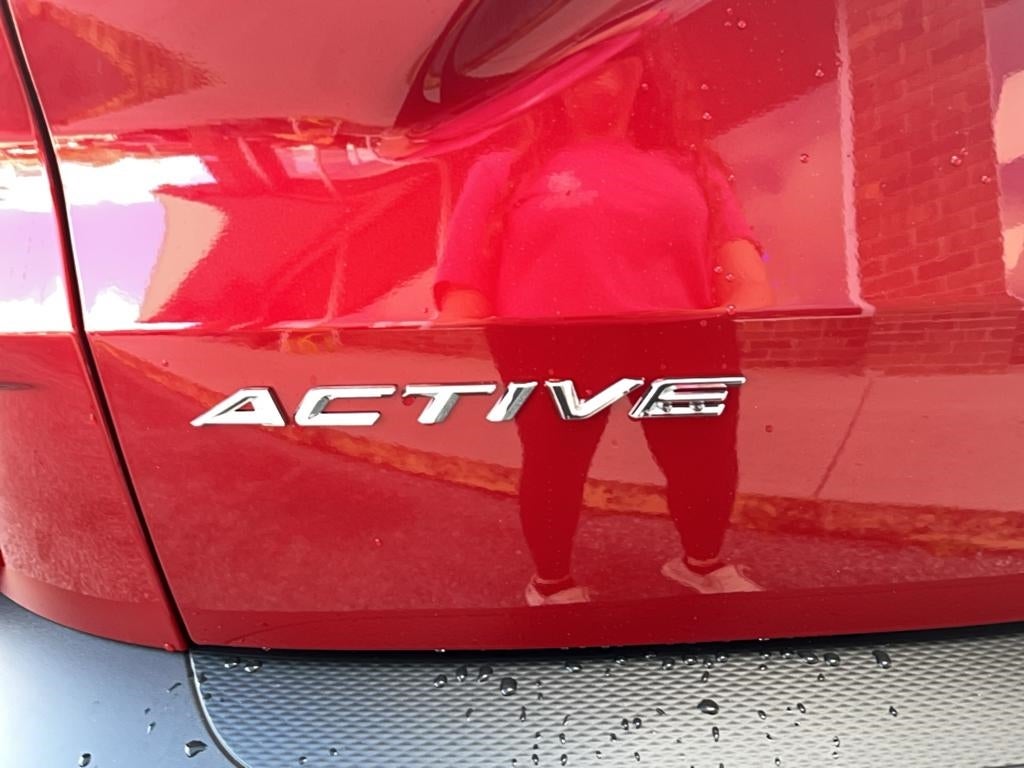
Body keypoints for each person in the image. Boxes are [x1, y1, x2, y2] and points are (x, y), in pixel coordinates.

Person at [436, 49, 772, 605]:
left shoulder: (692, 167)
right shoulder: (502, 170)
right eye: (584, 64)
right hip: (549, 345)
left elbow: (746, 272)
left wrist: (747, 305)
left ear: (646, 75)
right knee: (553, 467)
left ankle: (702, 563)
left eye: (621, 63)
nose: (604, 81)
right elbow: (464, 285)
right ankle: (551, 585)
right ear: (553, 77)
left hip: (684, 339)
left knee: (705, 465)